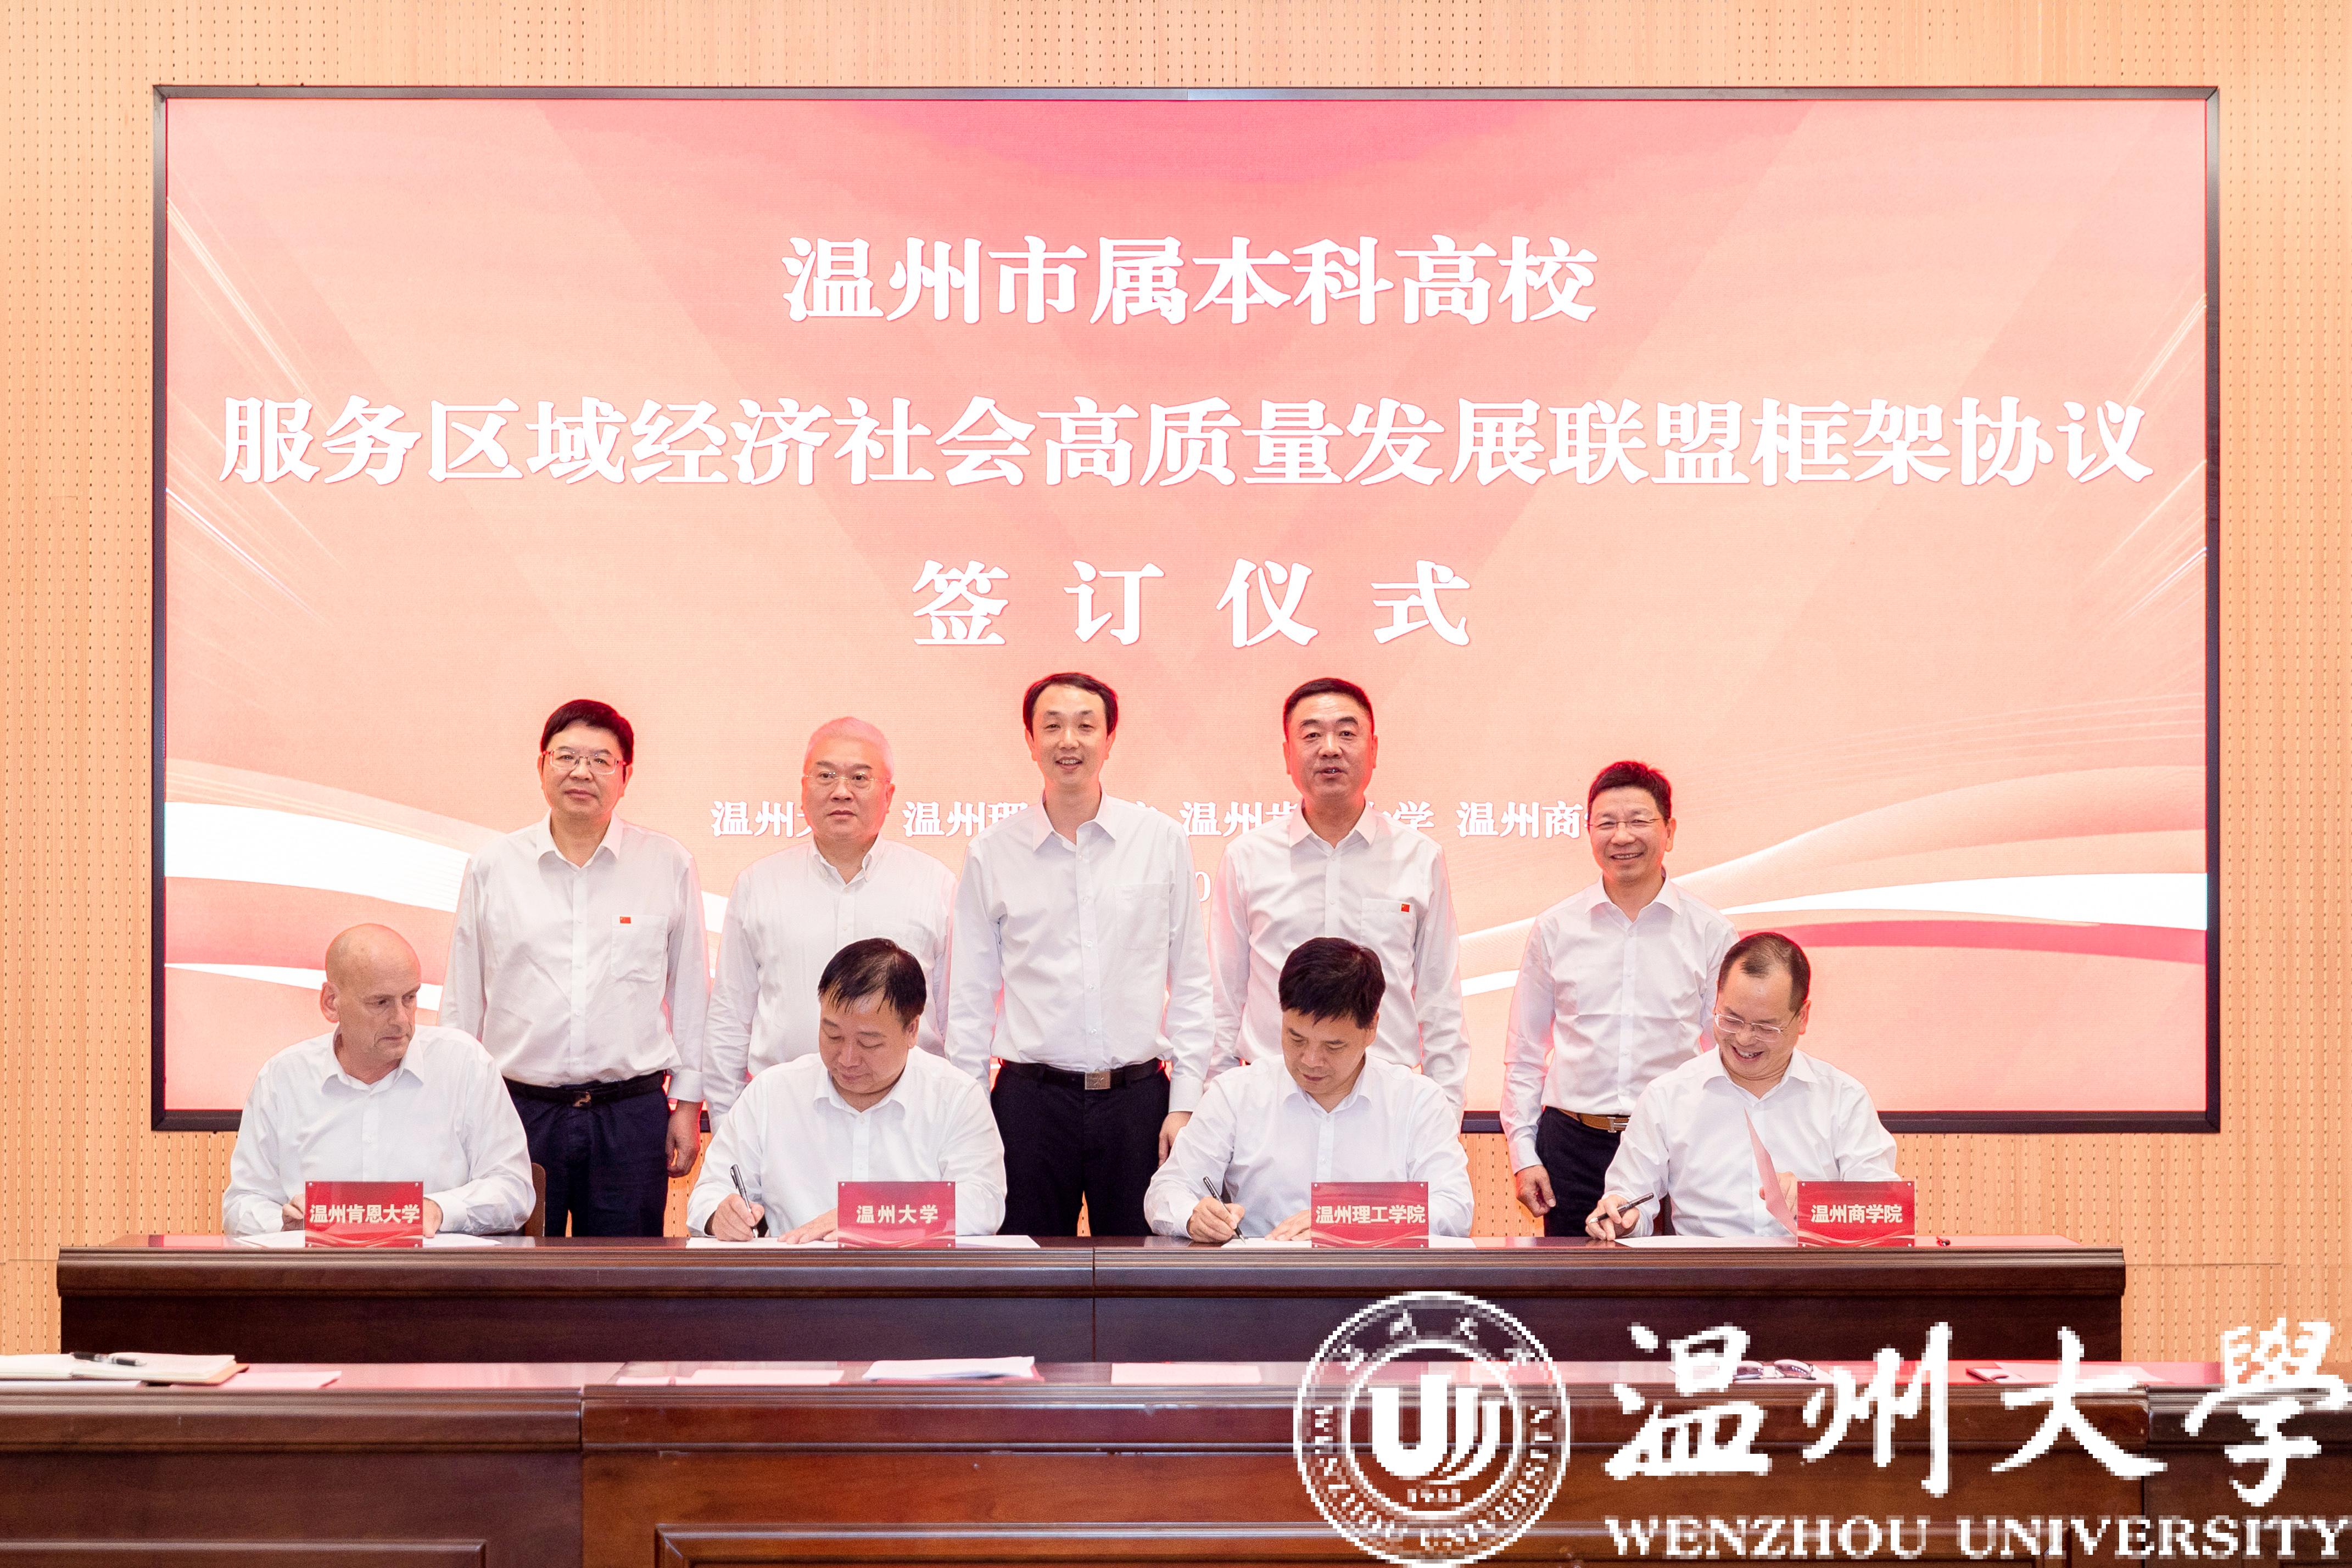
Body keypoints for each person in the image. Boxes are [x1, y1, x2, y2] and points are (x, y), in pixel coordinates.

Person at [947, 671, 1213, 1237]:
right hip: (1029, 1105)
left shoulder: (1159, 840)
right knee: (1024, 1272)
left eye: (1085, 726)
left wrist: (1185, 1102)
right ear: (1030, 740)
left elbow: (1191, 980)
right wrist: (970, 1117)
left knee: (1146, 1268)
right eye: (1052, 726)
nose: (1068, 741)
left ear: (1109, 739)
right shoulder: (992, 852)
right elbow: (968, 999)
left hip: (1138, 1103)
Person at [442, 698, 708, 1237]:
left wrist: (687, 1105)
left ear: (625, 776)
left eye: (601, 760)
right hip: (517, 1111)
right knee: (509, 1273)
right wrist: (452, 1108)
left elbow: (691, 994)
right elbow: (462, 997)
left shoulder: (667, 864)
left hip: (629, 1115)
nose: (581, 772)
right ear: (542, 766)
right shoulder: (495, 867)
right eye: (566, 757)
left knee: (622, 1278)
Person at [1209, 677, 1466, 1111]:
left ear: (1374, 750)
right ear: (1287, 755)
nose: (1330, 749)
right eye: (1311, 735)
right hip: (1268, 1099)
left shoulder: (1419, 858)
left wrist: (1445, 1111)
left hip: (1386, 1101)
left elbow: (1440, 1001)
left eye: (1347, 733)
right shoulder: (1246, 858)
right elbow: (1223, 997)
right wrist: (1214, 1101)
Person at [1502, 760, 1736, 1234]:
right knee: (1575, 1279)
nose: (1621, 836)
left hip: (1673, 1143)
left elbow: (1727, 1055)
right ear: (1589, 832)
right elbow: (1524, 1053)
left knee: (1671, 1279)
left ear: (1669, 831)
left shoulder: (1710, 932)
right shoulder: (1555, 928)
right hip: (1572, 1144)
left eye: (1638, 821)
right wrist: (1524, 1154)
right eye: (1606, 823)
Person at [703, 718, 955, 1123]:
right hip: (785, 1115)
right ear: (803, 790)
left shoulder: (934, 885)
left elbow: (957, 1016)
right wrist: (725, 1119)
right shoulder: (760, 884)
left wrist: (957, 1116)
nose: (841, 791)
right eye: (825, 776)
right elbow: (730, 1016)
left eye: (860, 778)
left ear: (889, 795)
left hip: (908, 1117)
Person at [1146, 938, 1472, 1242]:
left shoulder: (1417, 1101)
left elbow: (1454, 1208)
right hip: (1262, 1278)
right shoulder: (1235, 1094)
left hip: (1375, 1281)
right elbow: (1168, 1189)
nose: (1311, 1061)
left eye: (1333, 1045)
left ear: (1371, 1028)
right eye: (1296, 1038)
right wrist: (1194, 1216)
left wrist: (1348, 1221)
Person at [223, 925, 532, 1237]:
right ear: (331, 1002)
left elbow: (513, 1187)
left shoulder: (464, 1064)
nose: (401, 1019)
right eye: (381, 1003)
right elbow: (243, 1203)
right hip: (322, 1267)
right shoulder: (283, 1078)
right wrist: (285, 1224)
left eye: (409, 998)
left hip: (437, 1267)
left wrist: (439, 1210)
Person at [1587, 933, 1898, 1241]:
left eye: (1766, 1027)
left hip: (1808, 1269)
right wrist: (1622, 1219)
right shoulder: (1667, 1097)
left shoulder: (1843, 1098)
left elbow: (1885, 1212)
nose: (1745, 1039)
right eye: (1731, 1020)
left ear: (1802, 1018)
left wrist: (1815, 1201)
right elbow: (1630, 1199)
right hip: (1705, 1269)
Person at [691, 938, 1004, 1240]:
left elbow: (982, 1203)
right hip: (798, 1274)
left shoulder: (955, 1097)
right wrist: (721, 1216)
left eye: (869, 1042)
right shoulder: (772, 1093)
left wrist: (867, 1217)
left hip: (909, 1276)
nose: (847, 1058)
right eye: (833, 1035)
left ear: (912, 1030)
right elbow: (710, 1192)